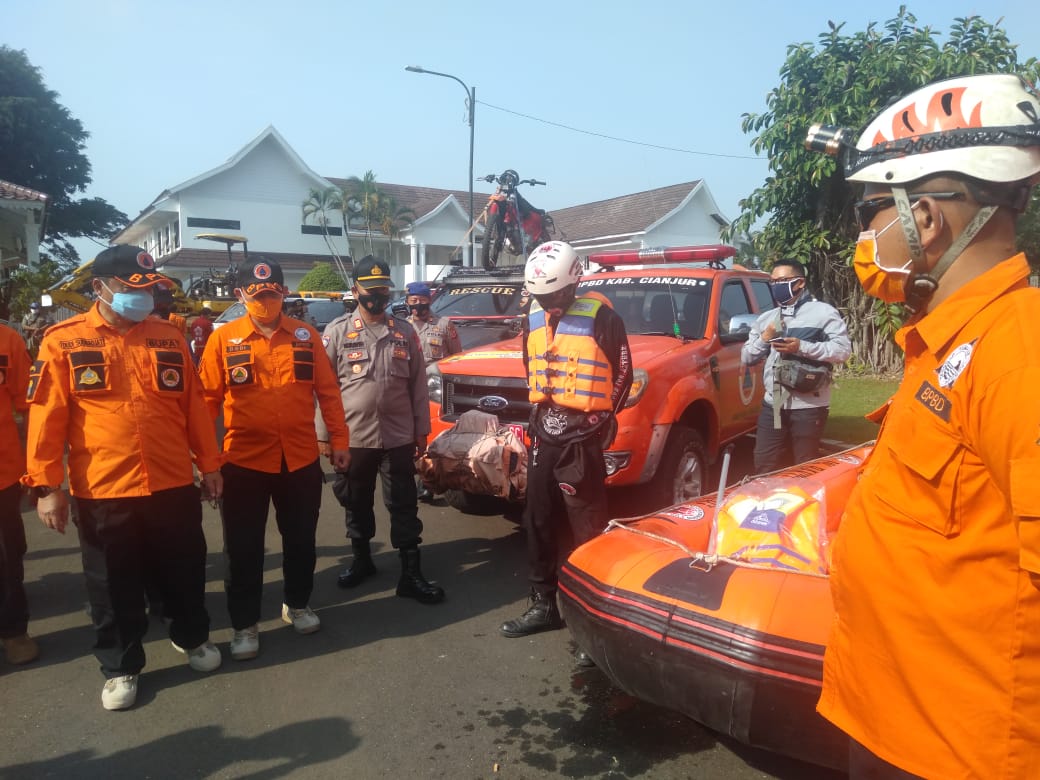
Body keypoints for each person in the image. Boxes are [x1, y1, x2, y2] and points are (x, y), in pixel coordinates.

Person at [805, 74, 1040, 778]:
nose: (864, 233)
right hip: (898, 720)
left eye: (873, 209)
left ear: (928, 218)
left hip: (959, 750)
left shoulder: (1016, 352)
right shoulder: (946, 342)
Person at [22, 243, 224, 711]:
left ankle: (191, 638)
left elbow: (193, 407)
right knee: (112, 583)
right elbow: (47, 417)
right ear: (100, 288)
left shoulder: (169, 337)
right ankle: (121, 667)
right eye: (134, 290)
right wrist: (47, 487)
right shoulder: (63, 341)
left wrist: (210, 464)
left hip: (172, 481)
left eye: (151, 289)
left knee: (184, 569)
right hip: (104, 487)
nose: (146, 298)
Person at [198, 259, 350, 660]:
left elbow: (328, 392)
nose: (266, 301)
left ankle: (297, 603)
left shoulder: (305, 335)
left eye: (273, 294)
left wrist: (339, 439)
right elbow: (205, 404)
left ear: (283, 293)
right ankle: (244, 624)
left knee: (301, 540)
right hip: (243, 461)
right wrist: (205, 461)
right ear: (241, 296)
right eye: (258, 295)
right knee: (243, 548)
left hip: (299, 459)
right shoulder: (223, 340)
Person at [500, 241, 632, 654]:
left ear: (573, 283)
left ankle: (589, 620)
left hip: (582, 436)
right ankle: (543, 604)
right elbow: (530, 364)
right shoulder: (533, 317)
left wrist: (601, 419)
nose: (549, 303)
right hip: (545, 431)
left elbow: (624, 373)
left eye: (554, 295)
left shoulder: (604, 318)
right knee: (536, 517)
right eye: (541, 296)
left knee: (587, 526)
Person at [318, 255, 444, 604]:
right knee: (355, 500)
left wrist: (422, 430)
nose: (377, 297)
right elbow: (323, 388)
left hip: (399, 434)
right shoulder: (337, 332)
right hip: (353, 436)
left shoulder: (404, 332)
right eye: (370, 291)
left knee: (404, 503)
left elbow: (419, 385)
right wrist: (325, 434)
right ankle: (362, 561)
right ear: (356, 290)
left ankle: (410, 572)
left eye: (383, 291)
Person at [740, 259, 850, 473]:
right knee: (765, 462)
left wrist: (802, 347)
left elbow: (842, 351)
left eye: (782, 281)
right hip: (774, 404)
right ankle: (765, 503)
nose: (776, 287)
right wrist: (765, 337)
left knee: (804, 465)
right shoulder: (766, 319)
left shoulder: (823, 313)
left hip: (808, 406)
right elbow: (746, 356)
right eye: (773, 282)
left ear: (799, 283)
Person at [0, 321, 37, 666]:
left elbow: (30, 404)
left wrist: (38, 467)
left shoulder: (7, 340)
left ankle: (13, 631)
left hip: (3, 473)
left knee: (8, 557)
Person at [405, 280, 462, 501]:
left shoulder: (444, 325)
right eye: (413, 301)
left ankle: (429, 481)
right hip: (409, 389)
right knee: (409, 436)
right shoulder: (404, 327)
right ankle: (418, 476)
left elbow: (457, 358)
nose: (417, 305)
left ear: (429, 300)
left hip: (437, 391)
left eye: (421, 301)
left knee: (433, 435)